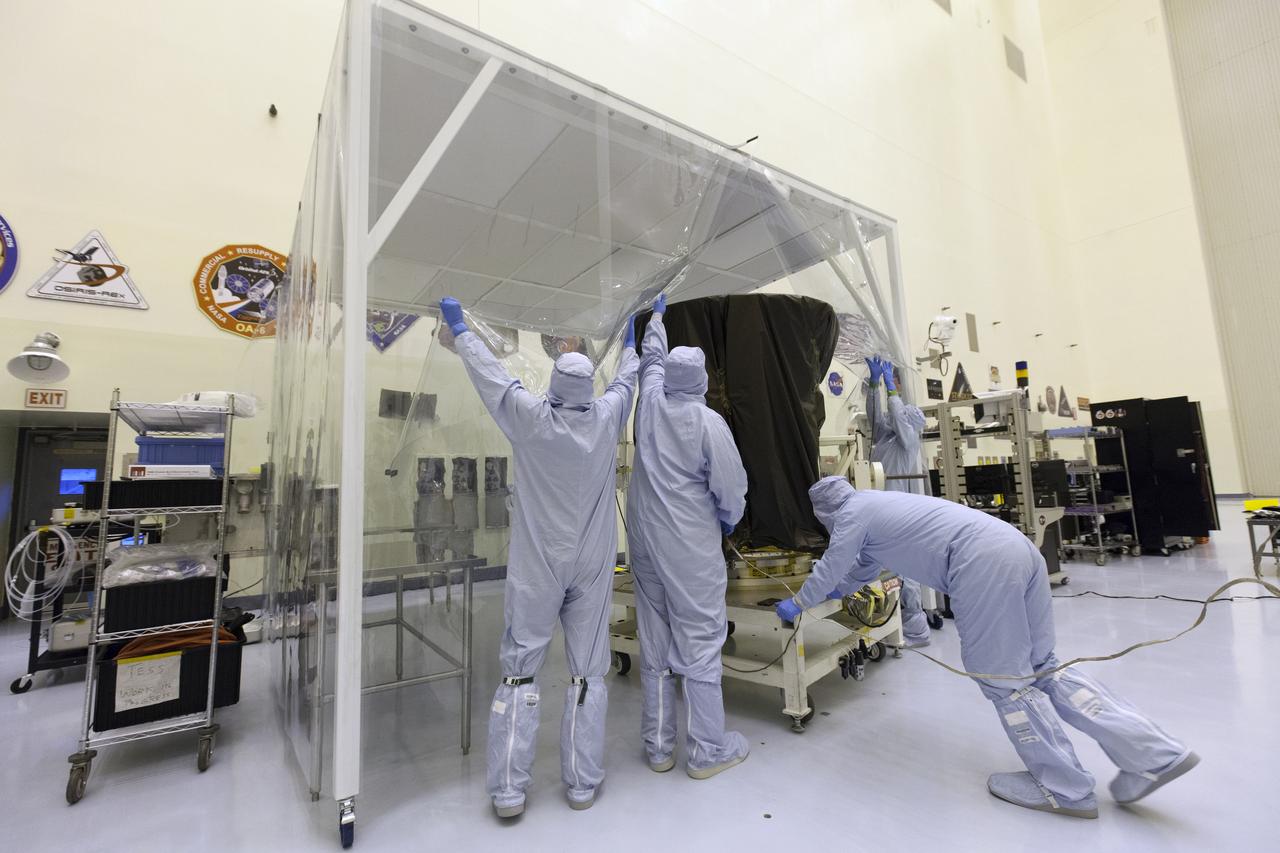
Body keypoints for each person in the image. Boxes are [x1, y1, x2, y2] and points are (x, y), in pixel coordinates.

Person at [776, 478, 1197, 818]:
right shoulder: (878, 505)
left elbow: (833, 563)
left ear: (824, 512)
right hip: (1016, 549)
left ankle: (1064, 787)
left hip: (979, 563)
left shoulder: (851, 514)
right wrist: (827, 593)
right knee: (1043, 666)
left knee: (1001, 678)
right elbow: (854, 573)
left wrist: (798, 602)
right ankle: (1154, 754)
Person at [440, 297, 639, 817]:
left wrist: (462, 330)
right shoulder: (606, 420)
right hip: (594, 564)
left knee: (520, 671)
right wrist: (639, 338)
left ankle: (508, 791)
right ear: (588, 390)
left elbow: (491, 379)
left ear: (553, 385)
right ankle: (581, 784)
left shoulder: (530, 418)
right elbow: (626, 383)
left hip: (538, 565)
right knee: (587, 672)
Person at [627, 294, 750, 779]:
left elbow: (652, 361)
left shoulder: (650, 403)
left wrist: (656, 318)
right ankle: (706, 752)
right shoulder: (708, 423)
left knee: (654, 641)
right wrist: (728, 521)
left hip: (644, 542)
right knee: (699, 642)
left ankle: (658, 749)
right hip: (688, 547)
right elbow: (732, 489)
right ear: (701, 383)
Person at [863, 355, 932, 646]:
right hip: (881, 513)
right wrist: (875, 384)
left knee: (905, 570)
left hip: (901, 514)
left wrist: (893, 388)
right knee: (886, 569)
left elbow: (901, 418)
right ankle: (891, 620)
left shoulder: (908, 441)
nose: (893, 419)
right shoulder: (885, 438)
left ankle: (917, 628)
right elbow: (874, 416)